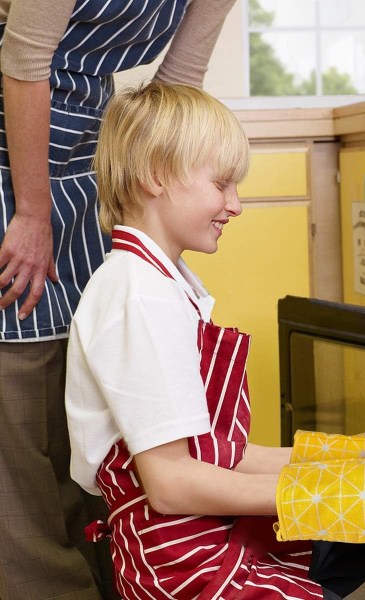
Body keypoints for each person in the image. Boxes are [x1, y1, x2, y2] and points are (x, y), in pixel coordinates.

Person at [65, 81, 365, 599]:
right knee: (352, 528)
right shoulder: (137, 296)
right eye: (222, 184)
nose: (236, 205)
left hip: (214, 533)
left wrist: (352, 465)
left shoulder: (163, 283)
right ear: (155, 176)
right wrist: (317, 491)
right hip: (185, 562)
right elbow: (171, 485)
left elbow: (218, 452)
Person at [0, 1, 236, 598]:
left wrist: (153, 215)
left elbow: (177, 85)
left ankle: (105, 574)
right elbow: (25, 59)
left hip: (85, 143)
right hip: (11, 137)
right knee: (20, 388)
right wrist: (32, 212)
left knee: (86, 374)